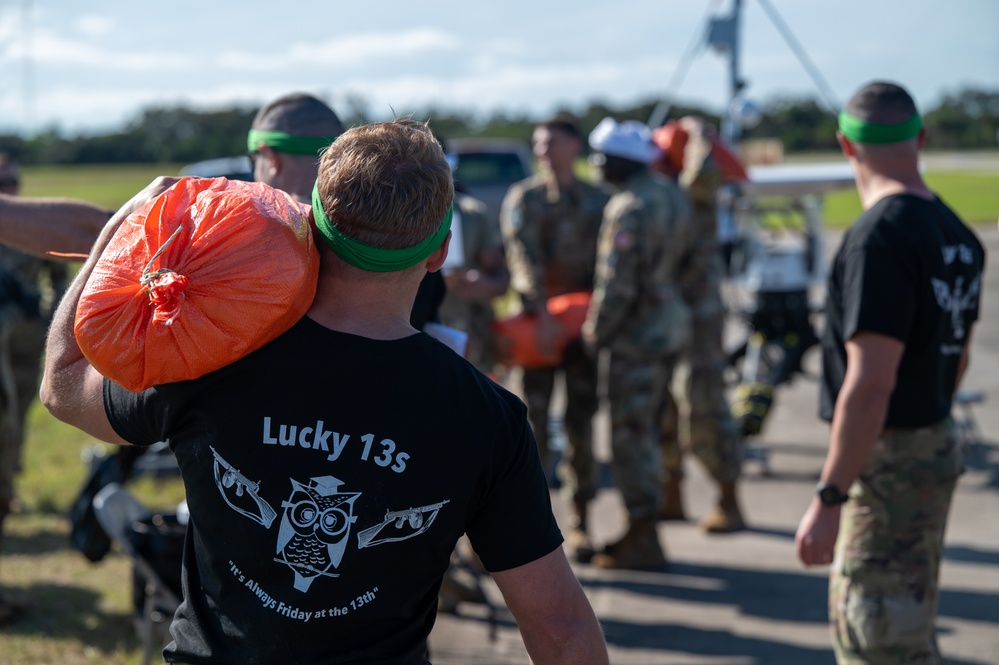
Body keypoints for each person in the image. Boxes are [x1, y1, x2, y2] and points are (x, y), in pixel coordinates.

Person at [41, 118, 609, 664]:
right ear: (439, 252)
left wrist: (126, 227)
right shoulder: (488, 418)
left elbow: (63, 386)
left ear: (310, 226)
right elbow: (560, 631)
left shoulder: (212, 356)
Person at [794, 81, 985, 664]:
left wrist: (830, 496)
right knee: (909, 620)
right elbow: (960, 355)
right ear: (921, 138)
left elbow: (871, 382)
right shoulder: (957, 234)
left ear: (847, 148)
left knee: (877, 636)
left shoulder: (878, 239)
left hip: (887, 464)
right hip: (932, 442)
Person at [582, 118, 692, 571]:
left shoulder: (628, 207)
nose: (596, 166)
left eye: (601, 158)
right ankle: (653, 514)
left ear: (619, 162)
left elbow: (616, 285)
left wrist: (594, 333)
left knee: (631, 435)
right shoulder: (672, 194)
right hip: (668, 326)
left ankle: (642, 535)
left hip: (635, 336)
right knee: (656, 425)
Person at [499, 113, 609, 562]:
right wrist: (541, 313)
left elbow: (610, 267)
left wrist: (597, 323)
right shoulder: (524, 198)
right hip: (537, 330)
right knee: (532, 428)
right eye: (538, 143)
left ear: (574, 147)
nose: (543, 150)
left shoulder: (600, 200)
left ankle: (581, 522)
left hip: (583, 330)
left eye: (552, 143)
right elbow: (521, 257)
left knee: (582, 424)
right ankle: (536, 533)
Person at [0, 154, 104, 624]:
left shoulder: (33, 224)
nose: (9, 186)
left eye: (12, 179)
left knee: (11, 438)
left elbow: (60, 276)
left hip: (21, 352)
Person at [651, 117, 746, 533]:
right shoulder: (660, 194)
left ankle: (729, 499)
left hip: (699, 315)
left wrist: (699, 133)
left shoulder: (697, 194)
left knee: (703, 406)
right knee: (664, 409)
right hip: (663, 314)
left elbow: (704, 171)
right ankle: (672, 494)